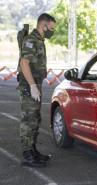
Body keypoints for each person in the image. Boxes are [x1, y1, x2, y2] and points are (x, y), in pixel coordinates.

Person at [17, 13, 56, 167]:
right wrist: (32, 86)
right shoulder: (31, 40)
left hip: (34, 84)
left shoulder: (39, 40)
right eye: (51, 28)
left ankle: (32, 150)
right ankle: (27, 154)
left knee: (35, 119)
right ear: (43, 26)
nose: (52, 31)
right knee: (28, 120)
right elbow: (24, 63)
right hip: (28, 86)